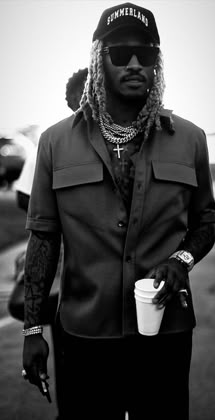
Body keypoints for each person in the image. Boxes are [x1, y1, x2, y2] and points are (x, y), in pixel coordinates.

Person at [22, 3, 215, 419]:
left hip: (166, 332)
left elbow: (205, 222)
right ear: (99, 60)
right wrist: (33, 329)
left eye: (145, 55)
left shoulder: (190, 139)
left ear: (156, 64)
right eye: (120, 53)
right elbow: (43, 237)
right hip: (84, 335)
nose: (134, 64)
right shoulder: (56, 143)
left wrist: (181, 259)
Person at [9, 69, 88, 419]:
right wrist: (59, 213)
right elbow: (25, 199)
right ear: (69, 102)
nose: (88, 104)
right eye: (79, 98)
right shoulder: (53, 141)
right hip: (62, 271)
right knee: (71, 354)